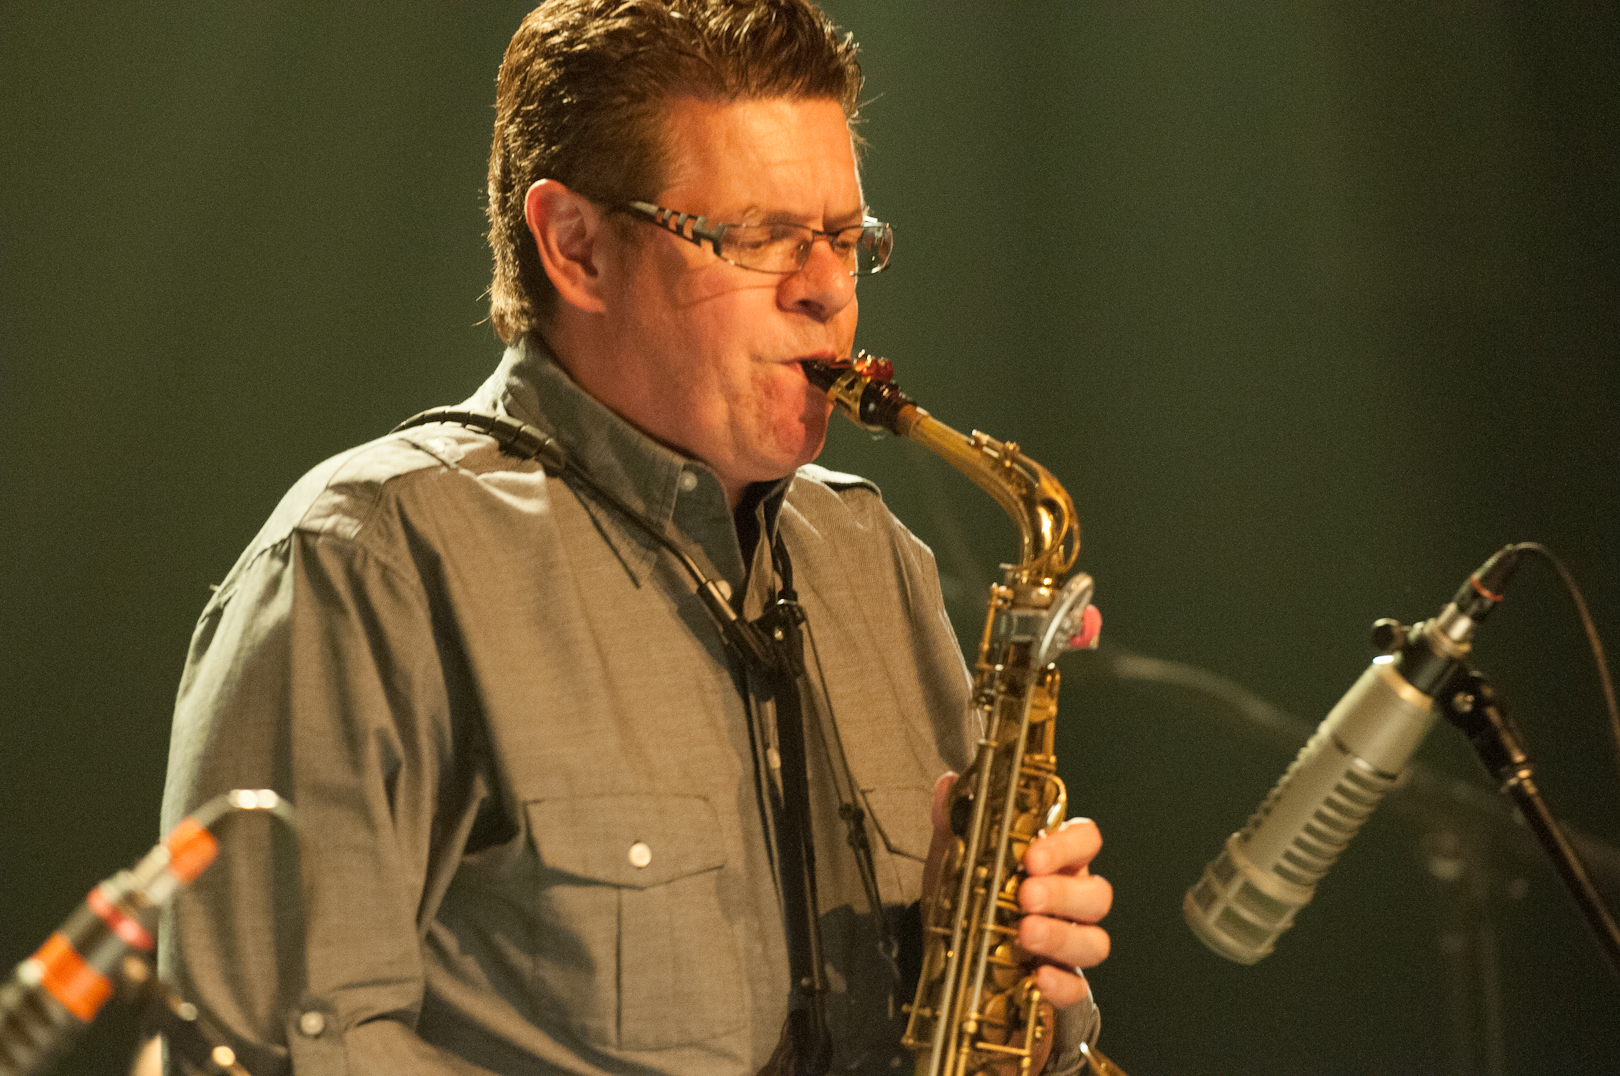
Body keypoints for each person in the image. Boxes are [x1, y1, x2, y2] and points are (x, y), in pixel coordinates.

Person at [158, 2, 1113, 1074]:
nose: (828, 290)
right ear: (575, 247)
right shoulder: (367, 563)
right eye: (760, 237)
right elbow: (257, 1052)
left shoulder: (872, 557)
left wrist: (1012, 985)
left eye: (846, 239)